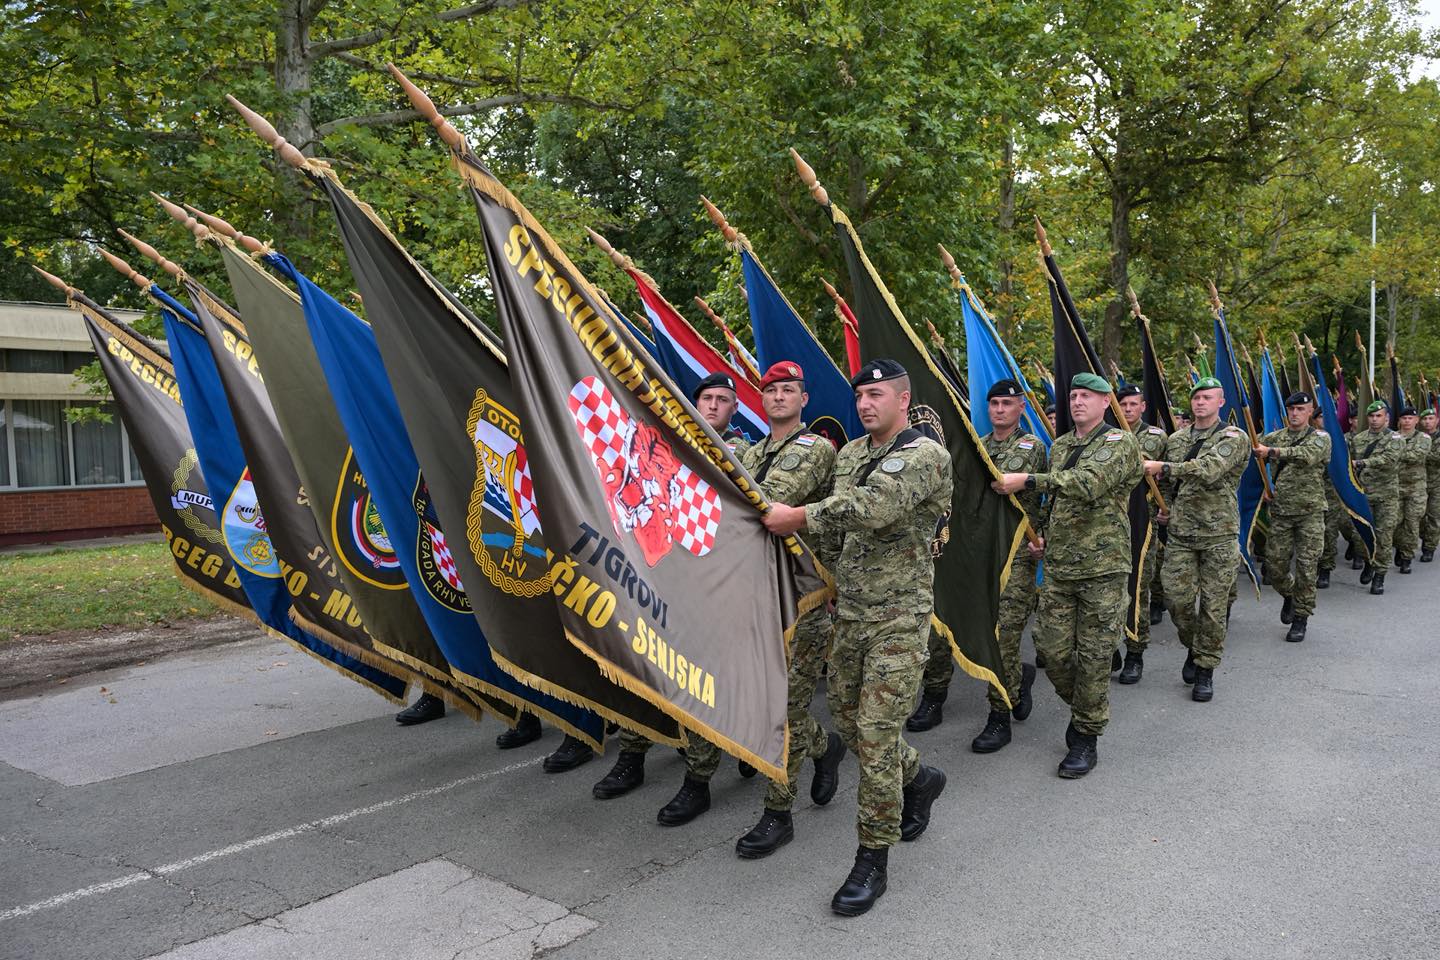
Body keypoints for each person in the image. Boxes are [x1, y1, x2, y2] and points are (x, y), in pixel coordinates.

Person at [764, 358, 951, 917]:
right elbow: (841, 533)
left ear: (902, 398)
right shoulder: (849, 455)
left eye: (875, 395)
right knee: (847, 719)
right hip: (852, 612)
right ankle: (920, 777)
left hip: (899, 617)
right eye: (859, 396)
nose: (865, 404)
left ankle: (872, 858)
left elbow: (873, 508)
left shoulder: (923, 453)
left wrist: (798, 515)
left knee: (872, 734)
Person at [590, 371, 754, 815]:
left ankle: (700, 777)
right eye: (708, 398)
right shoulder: (663, 444)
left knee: (701, 678)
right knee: (644, 668)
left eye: (724, 400)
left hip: (713, 586)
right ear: (695, 402)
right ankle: (631, 756)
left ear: (734, 410)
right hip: (658, 576)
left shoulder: (743, 456)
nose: (715, 406)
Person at [992, 373, 1141, 778]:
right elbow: (1054, 501)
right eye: (1074, 396)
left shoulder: (1119, 443)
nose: (1078, 402)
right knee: (1052, 650)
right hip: (1060, 565)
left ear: (1105, 403)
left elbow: (1088, 484)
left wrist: (1026, 479)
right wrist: (1040, 534)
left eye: (1087, 396)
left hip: (1103, 569)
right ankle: (1087, 707)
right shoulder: (1060, 446)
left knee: (1094, 657)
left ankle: (1084, 735)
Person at [732, 362, 846, 859]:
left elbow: (770, 505)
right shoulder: (751, 452)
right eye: (770, 390)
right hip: (756, 593)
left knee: (785, 706)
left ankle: (778, 813)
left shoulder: (816, 450)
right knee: (772, 703)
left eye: (787, 390)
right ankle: (825, 747)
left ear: (803, 399)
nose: (778, 397)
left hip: (803, 595)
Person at [913, 378, 1042, 752]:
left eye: (1007, 404)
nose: (999, 410)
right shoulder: (977, 447)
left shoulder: (1029, 447)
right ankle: (935, 695)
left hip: (1013, 552)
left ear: (1021, 408)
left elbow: (1000, 482)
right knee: (941, 621)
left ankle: (999, 714)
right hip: (972, 549)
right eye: (994, 404)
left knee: (1001, 633)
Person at [1146, 377, 1249, 702]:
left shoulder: (1233, 436)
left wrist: (1165, 466)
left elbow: (1210, 468)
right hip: (1181, 532)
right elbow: (1161, 482)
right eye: (1196, 398)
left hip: (1219, 534)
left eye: (1207, 397)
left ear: (1220, 402)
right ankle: (1196, 646)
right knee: (1177, 601)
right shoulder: (1176, 439)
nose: (1200, 403)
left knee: (1214, 607)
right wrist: (1164, 506)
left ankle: (1205, 667)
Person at [1254, 392, 1331, 643]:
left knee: (1307, 568)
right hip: (1281, 513)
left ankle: (1301, 618)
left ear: (1310, 412)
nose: (1295, 414)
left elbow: (1307, 455)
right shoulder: (1273, 437)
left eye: (1300, 409)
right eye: (1291, 409)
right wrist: (1263, 489)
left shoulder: (1320, 437)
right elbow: (1253, 458)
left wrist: (1271, 451)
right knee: (1274, 567)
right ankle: (1290, 595)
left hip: (1310, 513)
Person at [1115, 384, 1170, 683]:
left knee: (1138, 588)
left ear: (1143, 406)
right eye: (1122, 404)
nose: (1127, 409)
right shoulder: (1109, 434)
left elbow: (1166, 475)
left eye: (1133, 404)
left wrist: (1167, 509)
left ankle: (1135, 652)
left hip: (1143, 521)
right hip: (1110, 522)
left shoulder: (1156, 437)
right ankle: (1110, 647)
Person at [1349, 400, 1403, 595]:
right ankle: (1368, 561)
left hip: (1387, 496)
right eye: (1371, 416)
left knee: (1384, 535)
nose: (1374, 419)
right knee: (1359, 534)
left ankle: (1379, 574)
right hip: (1364, 494)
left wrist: (1361, 463)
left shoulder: (1395, 438)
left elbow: (1389, 460)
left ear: (1386, 418)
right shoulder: (1359, 439)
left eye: (1378, 415)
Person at [1394, 406, 1431, 574]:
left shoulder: (1423, 438)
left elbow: (1417, 456)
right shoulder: (1391, 437)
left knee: (1411, 523)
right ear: (1399, 420)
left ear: (1416, 421)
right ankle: (1399, 547)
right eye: (1404, 418)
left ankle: (1406, 557)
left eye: (1410, 418)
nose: (1407, 421)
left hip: (1416, 489)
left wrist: (1393, 453)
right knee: (1394, 522)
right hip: (1394, 487)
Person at [1421, 407, 1440, 562]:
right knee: (1418, 517)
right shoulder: (1418, 437)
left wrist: (1419, 453)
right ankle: (1422, 538)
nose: (1427, 422)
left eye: (1431, 419)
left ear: (1437, 421)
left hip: (1437, 484)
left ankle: (1429, 548)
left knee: (1434, 517)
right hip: (1418, 484)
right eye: (1425, 419)